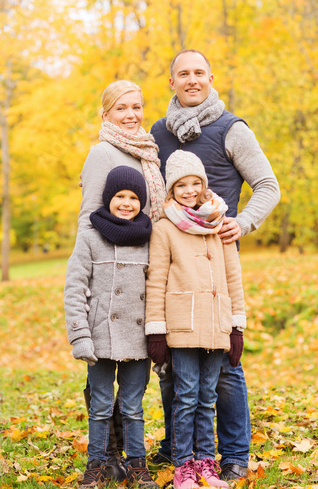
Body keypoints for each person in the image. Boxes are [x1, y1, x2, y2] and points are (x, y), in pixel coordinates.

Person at [149, 49, 281, 481]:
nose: (191, 80)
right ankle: (179, 451)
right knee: (173, 370)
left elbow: (267, 185)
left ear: (210, 78)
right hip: (172, 262)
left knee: (224, 367)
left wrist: (242, 224)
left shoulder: (231, 128)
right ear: (172, 82)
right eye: (182, 74)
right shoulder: (159, 132)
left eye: (198, 73)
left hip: (215, 262)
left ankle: (234, 453)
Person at [76, 80, 166, 483]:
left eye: (136, 106)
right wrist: (91, 260)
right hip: (107, 267)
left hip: (142, 256)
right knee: (100, 396)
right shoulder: (102, 152)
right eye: (121, 108)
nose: (131, 114)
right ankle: (105, 458)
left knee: (132, 401)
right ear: (106, 113)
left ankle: (129, 460)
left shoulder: (147, 150)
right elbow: (89, 213)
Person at [146, 150, 246, 489]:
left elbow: (233, 277)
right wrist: (157, 331)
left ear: (203, 185)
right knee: (185, 395)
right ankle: (183, 466)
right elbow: (156, 279)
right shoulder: (164, 228)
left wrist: (236, 326)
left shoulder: (220, 224)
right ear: (171, 190)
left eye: (195, 183)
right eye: (181, 185)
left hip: (217, 326)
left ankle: (206, 463)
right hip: (182, 327)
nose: (189, 190)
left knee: (207, 398)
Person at [65, 166, 159, 489]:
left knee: (133, 407)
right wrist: (80, 335)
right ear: (108, 198)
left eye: (134, 198)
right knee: (101, 405)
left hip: (138, 339)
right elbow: (75, 287)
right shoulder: (90, 236)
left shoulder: (151, 237)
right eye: (120, 196)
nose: (126, 203)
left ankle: (136, 464)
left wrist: (159, 336)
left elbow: (159, 288)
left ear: (141, 203)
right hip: (100, 338)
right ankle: (98, 463)